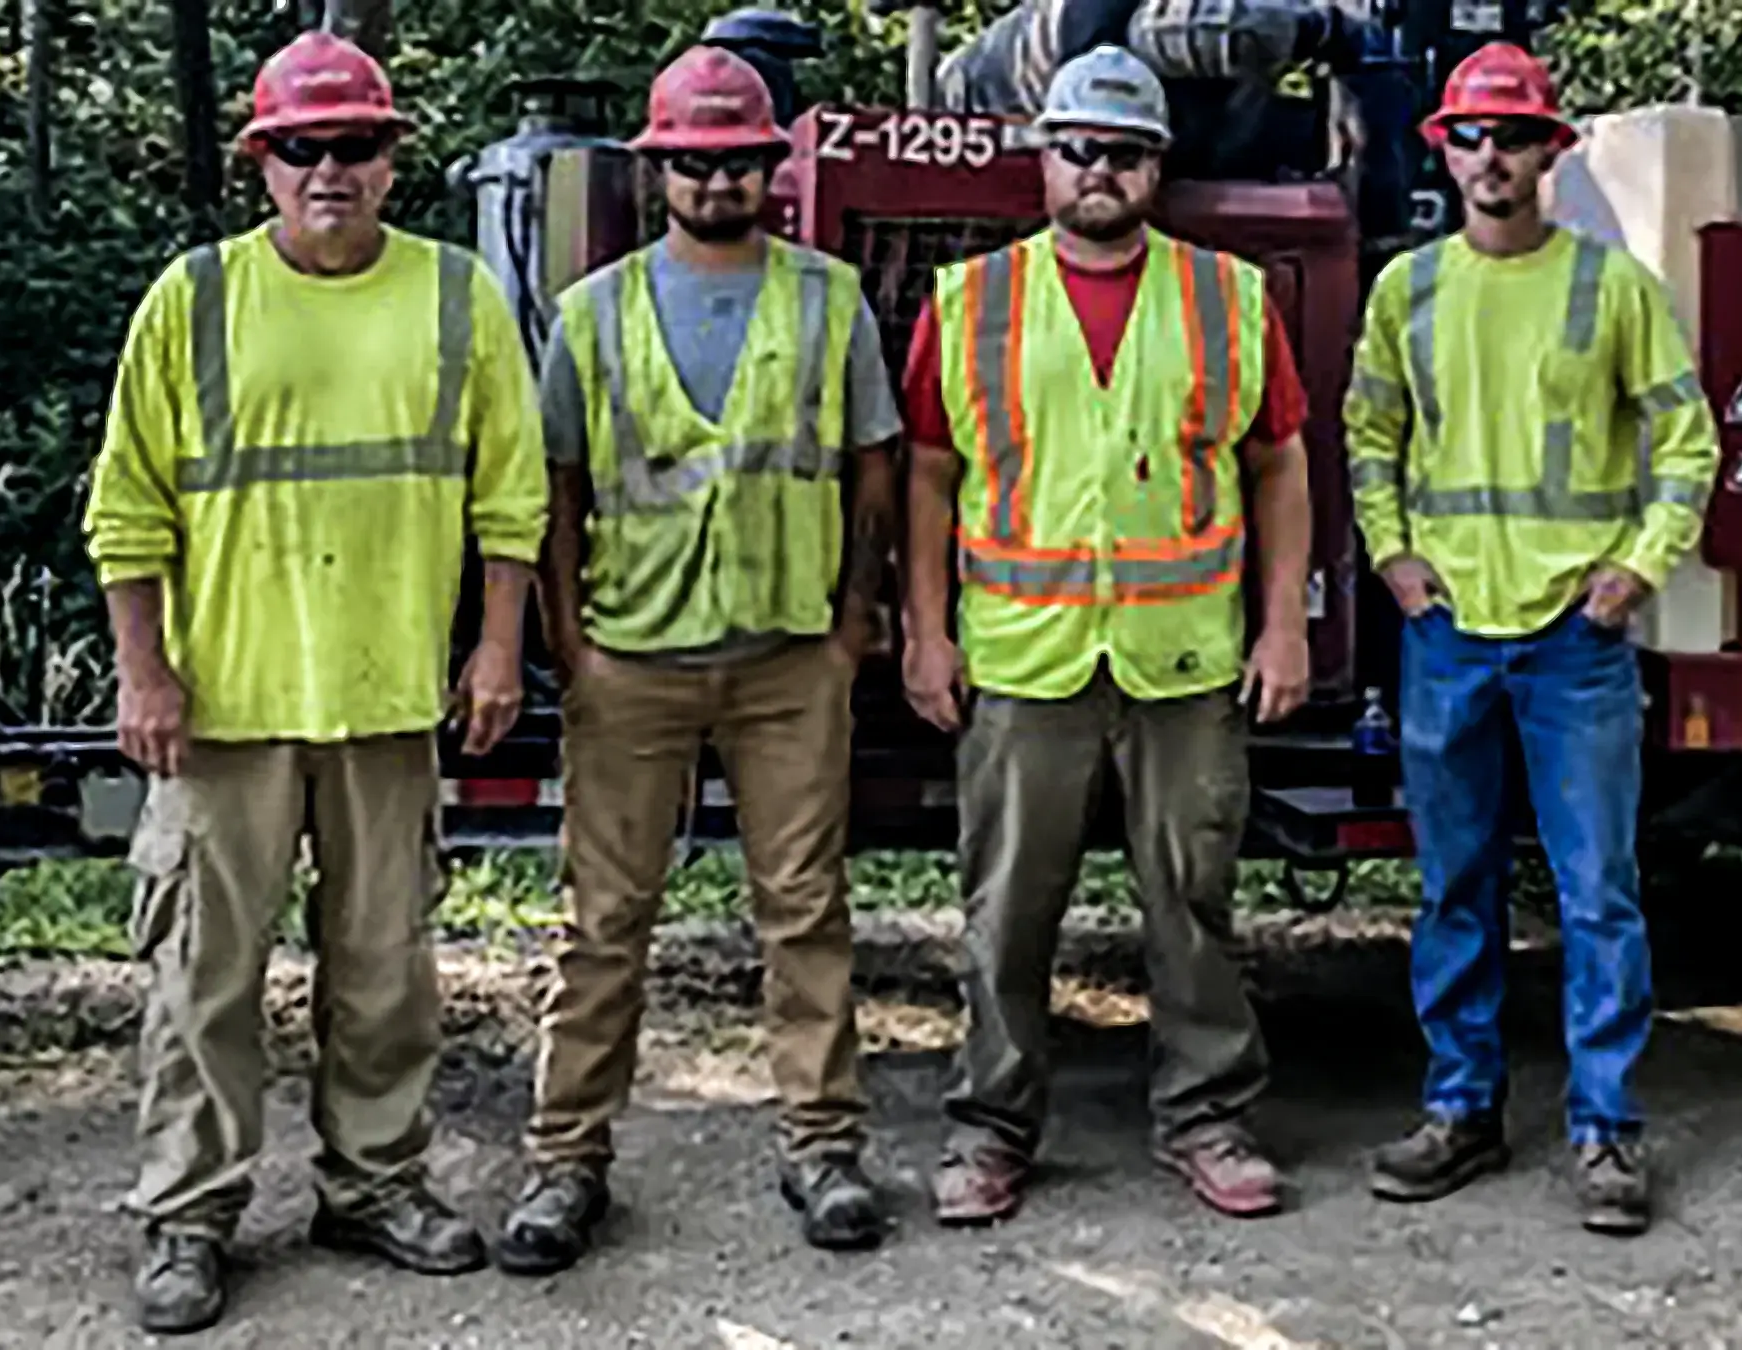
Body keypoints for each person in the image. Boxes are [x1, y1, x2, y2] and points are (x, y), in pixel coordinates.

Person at [82, 31, 548, 1335]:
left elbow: (509, 497)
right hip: (223, 711)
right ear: (263, 163)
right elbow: (128, 508)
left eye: (353, 145)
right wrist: (143, 673)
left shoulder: (455, 297)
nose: (328, 168)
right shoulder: (194, 300)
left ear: (391, 160)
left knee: (385, 971)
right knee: (203, 977)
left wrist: (496, 645)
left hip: (387, 701)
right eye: (301, 147)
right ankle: (189, 1213)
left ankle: (374, 1184)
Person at [496, 45, 901, 1269]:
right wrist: (568, 638)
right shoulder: (594, 313)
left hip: (789, 660)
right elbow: (557, 487)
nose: (717, 180)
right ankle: (566, 1160)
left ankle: (822, 1146)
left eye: (737, 161)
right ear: (657, 169)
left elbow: (874, 466)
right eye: (694, 161)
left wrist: (851, 623)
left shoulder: (830, 298)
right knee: (603, 922)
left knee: (805, 909)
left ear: (769, 167)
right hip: (632, 659)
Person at [899, 44, 1315, 1226]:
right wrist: (925, 631)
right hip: (1025, 658)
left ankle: (1207, 1117)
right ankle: (990, 1129)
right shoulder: (970, 301)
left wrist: (1283, 624)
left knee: (1193, 901)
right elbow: (926, 475)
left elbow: (1280, 464)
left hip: (1184, 660)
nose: (1100, 170)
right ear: (1044, 159)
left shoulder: (1228, 299)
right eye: (1078, 147)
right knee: (1006, 911)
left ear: (1157, 168)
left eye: (1125, 153)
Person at [1343, 42, 1721, 1236]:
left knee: (1597, 892)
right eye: (1472, 135)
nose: (1492, 155)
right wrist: (1394, 558)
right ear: (1443, 152)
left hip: (1572, 639)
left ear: (1551, 151)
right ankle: (1462, 1110)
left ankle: (1606, 1130)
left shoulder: (1613, 290)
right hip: (1449, 631)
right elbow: (1370, 435)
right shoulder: (1407, 290)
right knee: (1453, 887)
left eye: (1514, 136)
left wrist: (1639, 567)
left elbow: (1687, 441)